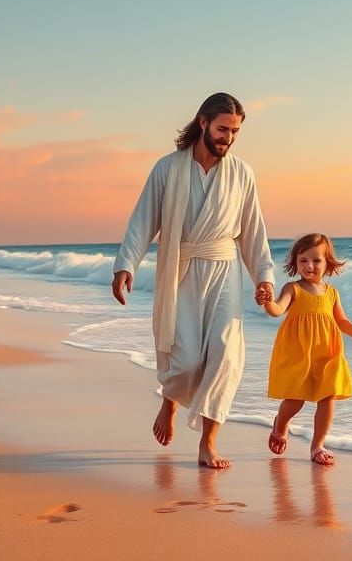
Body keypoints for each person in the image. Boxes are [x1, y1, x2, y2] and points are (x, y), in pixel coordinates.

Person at [112, 92, 275, 469]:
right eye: (222, 129)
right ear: (203, 122)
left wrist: (263, 277)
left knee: (225, 358)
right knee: (184, 362)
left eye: (234, 131)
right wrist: (126, 265)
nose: (229, 138)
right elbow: (143, 219)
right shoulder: (167, 169)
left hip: (224, 270)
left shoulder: (242, 173)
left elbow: (253, 231)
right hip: (180, 271)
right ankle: (170, 400)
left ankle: (208, 442)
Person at [259, 233, 352, 465]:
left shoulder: (331, 292)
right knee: (295, 399)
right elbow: (277, 310)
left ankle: (318, 446)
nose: (309, 266)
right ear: (295, 263)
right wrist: (267, 301)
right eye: (303, 260)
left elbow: (341, 321)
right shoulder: (293, 288)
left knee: (328, 396)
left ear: (328, 263)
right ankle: (280, 425)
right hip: (299, 353)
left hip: (328, 352)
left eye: (316, 260)